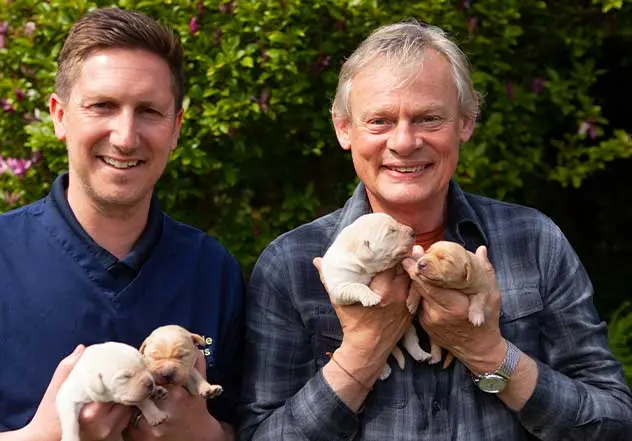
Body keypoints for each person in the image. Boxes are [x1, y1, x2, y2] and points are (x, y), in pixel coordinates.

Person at [0, 7, 243, 441]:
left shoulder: (212, 269)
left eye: (149, 111)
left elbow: (249, 423)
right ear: (59, 115)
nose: (125, 136)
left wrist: (204, 432)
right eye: (102, 106)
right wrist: (37, 437)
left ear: (176, 128)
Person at [238, 20, 632, 441]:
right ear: (343, 128)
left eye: (428, 118)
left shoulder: (534, 241)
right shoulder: (291, 264)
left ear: (466, 122)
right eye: (379, 121)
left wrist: (488, 355)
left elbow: (614, 423)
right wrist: (362, 355)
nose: (404, 142)